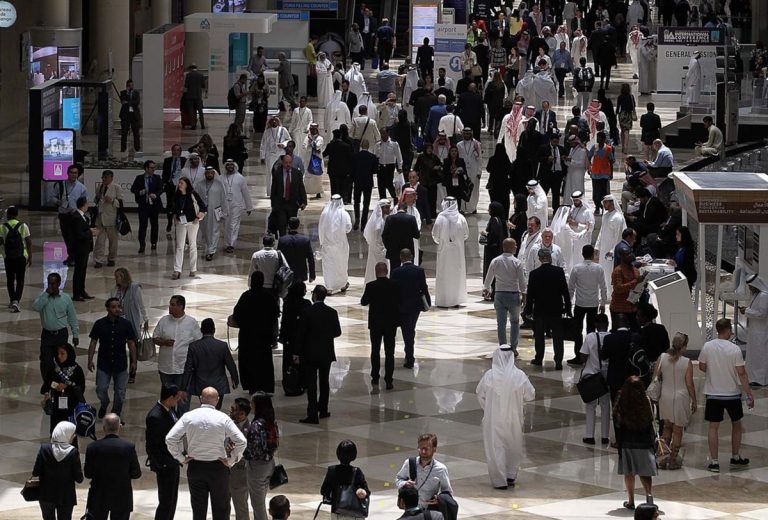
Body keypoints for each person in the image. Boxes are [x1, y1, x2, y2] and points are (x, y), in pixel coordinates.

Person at [165, 387, 247, 520]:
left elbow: (170, 439)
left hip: (196, 467)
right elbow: (242, 441)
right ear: (218, 400)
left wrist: (180, 457)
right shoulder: (223, 418)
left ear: (200, 399)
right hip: (219, 468)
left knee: (198, 510)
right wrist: (232, 460)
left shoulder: (188, 416)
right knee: (221, 510)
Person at [699, 318, 754, 472]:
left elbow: (702, 366)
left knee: (713, 427)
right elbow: (741, 373)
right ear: (729, 330)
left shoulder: (708, 346)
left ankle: (714, 462)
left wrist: (713, 370)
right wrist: (749, 393)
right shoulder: (734, 349)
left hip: (713, 393)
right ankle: (735, 457)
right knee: (736, 424)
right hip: (732, 394)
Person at [476, 345, 535, 489]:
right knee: (513, 445)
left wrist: (488, 409)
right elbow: (530, 395)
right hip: (514, 418)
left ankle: (499, 480)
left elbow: (480, 393)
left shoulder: (489, 376)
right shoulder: (519, 376)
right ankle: (510, 475)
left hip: (494, 419)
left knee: (496, 447)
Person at [296, 285, 342, 423]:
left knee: (311, 384)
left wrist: (296, 353)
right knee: (324, 381)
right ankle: (323, 410)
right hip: (326, 352)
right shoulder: (332, 312)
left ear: (315, 295)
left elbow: (301, 334)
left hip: (310, 353)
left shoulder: (307, 312)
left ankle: (312, 414)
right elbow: (337, 332)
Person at [84, 414, 142, 520]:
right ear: (119, 427)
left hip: (98, 495)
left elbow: (88, 474)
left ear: (104, 428)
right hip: (122, 496)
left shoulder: (92, 447)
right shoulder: (129, 447)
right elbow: (136, 474)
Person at [87, 298, 137, 419]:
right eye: (113, 307)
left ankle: (116, 413)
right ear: (108, 309)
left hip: (120, 363)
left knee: (120, 392)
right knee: (101, 389)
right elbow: (93, 342)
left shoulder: (126, 324)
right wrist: (90, 359)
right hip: (104, 363)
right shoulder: (99, 324)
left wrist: (134, 361)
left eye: (118, 306)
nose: (117, 309)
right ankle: (104, 403)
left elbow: (131, 343)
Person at [653, 333, 697, 470]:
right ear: (683, 347)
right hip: (681, 398)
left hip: (665, 396)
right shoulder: (686, 362)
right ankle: (673, 460)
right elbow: (689, 384)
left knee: (666, 428)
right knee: (678, 430)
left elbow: (655, 377)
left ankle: (663, 458)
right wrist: (694, 400)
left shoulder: (662, 357)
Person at [613, 376, 657, 510]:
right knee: (645, 473)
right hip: (644, 442)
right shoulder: (646, 400)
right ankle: (649, 495)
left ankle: (631, 500)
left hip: (627, 442)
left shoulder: (622, 401)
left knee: (629, 472)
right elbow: (651, 419)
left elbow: (617, 422)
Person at [233, 272, 280, 394]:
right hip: (264, 335)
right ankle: (265, 386)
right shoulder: (268, 297)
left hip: (248, 335)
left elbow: (237, 314)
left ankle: (252, 386)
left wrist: (245, 324)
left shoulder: (246, 296)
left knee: (249, 361)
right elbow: (275, 314)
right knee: (264, 361)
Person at [153, 295, 202, 414]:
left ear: (181, 306)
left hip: (183, 368)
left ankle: (182, 420)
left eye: (172, 304)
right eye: (170, 304)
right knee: (167, 398)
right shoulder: (164, 320)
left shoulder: (191, 323)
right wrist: (164, 342)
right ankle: (168, 419)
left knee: (183, 398)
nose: (169, 307)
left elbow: (198, 342)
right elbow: (155, 337)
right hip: (166, 367)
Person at [525, 248, 571, 369]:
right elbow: (565, 291)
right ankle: (558, 361)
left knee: (539, 336)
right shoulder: (559, 272)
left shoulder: (534, 274)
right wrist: (568, 307)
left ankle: (539, 358)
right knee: (558, 336)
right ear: (550, 258)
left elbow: (530, 295)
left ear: (540, 259)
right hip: (556, 309)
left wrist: (528, 310)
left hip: (540, 310)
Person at [145, 385, 184, 520]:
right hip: (165, 464)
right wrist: (167, 463)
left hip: (173, 461)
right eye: (177, 398)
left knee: (172, 499)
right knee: (166, 501)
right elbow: (153, 446)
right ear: (170, 398)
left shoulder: (171, 410)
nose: (178, 400)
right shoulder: (155, 416)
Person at [181, 318, 238, 409]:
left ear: (201, 330)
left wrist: (183, 387)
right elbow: (231, 365)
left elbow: (188, 368)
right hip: (219, 383)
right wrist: (235, 379)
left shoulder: (193, 346)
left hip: (201, 383)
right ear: (214, 330)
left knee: (205, 407)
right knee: (216, 409)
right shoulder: (222, 346)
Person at [361, 262, 400, 391]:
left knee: (375, 350)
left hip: (375, 323)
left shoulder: (371, 286)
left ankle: (375, 376)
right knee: (390, 352)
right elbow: (400, 301)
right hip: (390, 323)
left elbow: (363, 302)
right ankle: (389, 380)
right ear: (387, 271)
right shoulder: (395, 285)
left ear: (376, 272)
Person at [33, 421, 83, 520]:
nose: (74, 436)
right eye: (73, 434)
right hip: (66, 496)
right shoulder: (73, 452)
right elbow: (79, 479)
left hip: (46, 494)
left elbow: (35, 472)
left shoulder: (44, 448)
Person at [34, 272, 79, 379]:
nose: (51, 286)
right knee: (46, 361)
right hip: (47, 335)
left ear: (58, 284)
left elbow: (72, 317)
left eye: (53, 284)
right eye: (49, 283)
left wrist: (75, 334)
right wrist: (45, 295)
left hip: (61, 334)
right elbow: (36, 307)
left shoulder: (66, 298)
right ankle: (47, 383)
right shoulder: (43, 297)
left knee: (61, 360)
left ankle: (61, 382)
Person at [567, 245, 608, 365]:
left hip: (580, 303)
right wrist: (603, 302)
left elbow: (571, 288)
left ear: (582, 254)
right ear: (593, 254)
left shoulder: (576, 268)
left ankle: (578, 356)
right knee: (591, 331)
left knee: (577, 331)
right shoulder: (598, 268)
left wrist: (569, 303)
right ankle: (590, 355)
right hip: (593, 304)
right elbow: (603, 287)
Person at [483, 238, 526, 350]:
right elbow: (522, 282)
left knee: (501, 323)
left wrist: (486, 288)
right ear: (511, 247)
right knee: (515, 322)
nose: (516, 247)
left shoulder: (495, 261)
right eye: (515, 245)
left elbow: (488, 278)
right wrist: (524, 295)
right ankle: (513, 347)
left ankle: (503, 346)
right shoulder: (517, 262)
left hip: (499, 294)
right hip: (513, 295)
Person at [243, 393, 280, 520]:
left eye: (252, 403)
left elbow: (254, 449)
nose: (250, 406)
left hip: (257, 467)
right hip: (269, 464)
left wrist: (244, 453)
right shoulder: (272, 422)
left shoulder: (256, 425)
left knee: (257, 505)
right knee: (260, 500)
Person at [391, 249, 430, 368]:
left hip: (402, 306)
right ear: (412, 257)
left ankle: (409, 356)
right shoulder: (419, 271)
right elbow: (424, 287)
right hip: (415, 306)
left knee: (406, 331)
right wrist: (427, 303)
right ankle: (409, 355)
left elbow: (393, 290)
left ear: (401, 258)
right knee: (410, 329)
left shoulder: (396, 271)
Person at [395, 433, 453, 509]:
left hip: (429, 511)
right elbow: (398, 479)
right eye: (421, 448)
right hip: (411, 509)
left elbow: (447, 492)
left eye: (427, 448)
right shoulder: (409, 463)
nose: (423, 451)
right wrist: (405, 483)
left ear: (434, 449)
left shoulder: (441, 469)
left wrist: (439, 499)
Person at [579, 313, 611, 445]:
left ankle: (589, 436)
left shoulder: (590, 337)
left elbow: (583, 356)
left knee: (590, 406)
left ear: (596, 325)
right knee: (605, 406)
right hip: (606, 377)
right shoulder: (611, 337)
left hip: (592, 376)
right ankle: (605, 436)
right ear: (607, 324)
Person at [41, 344, 85, 434]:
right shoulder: (54, 369)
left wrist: (67, 387)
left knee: (70, 432)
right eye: (58, 353)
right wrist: (51, 390)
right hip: (56, 406)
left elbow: (81, 388)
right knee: (55, 431)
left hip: (71, 406)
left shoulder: (77, 370)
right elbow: (46, 385)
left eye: (62, 354)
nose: (59, 356)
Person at [432, 198, 469, 308]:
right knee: (456, 274)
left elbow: (435, 235)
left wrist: (443, 243)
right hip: (457, 252)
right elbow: (466, 235)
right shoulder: (461, 218)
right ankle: (456, 299)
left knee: (444, 274)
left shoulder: (440, 218)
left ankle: (444, 300)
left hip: (444, 252)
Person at [320, 440, 371, 518]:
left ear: (338, 454)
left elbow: (324, 491)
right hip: (354, 512)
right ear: (353, 455)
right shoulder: (357, 472)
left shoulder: (332, 470)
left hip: (337, 511)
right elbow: (366, 491)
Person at [170, 177, 206, 279]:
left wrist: (198, 217)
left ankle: (193, 269)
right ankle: (177, 270)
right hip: (180, 222)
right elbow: (173, 207)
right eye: (179, 183)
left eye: (181, 183)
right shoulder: (177, 195)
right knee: (179, 246)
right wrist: (175, 217)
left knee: (192, 245)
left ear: (186, 184)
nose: (179, 185)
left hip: (192, 222)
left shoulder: (193, 194)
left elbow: (203, 207)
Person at [318, 195, 353, 293]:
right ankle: (342, 284)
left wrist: (322, 242)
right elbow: (348, 228)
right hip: (341, 245)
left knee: (328, 266)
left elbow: (320, 229)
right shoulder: (344, 214)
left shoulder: (324, 213)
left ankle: (329, 287)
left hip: (327, 245)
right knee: (341, 265)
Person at [0, 206, 32, 312]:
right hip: (21, 257)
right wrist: (30, 256)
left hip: (8, 257)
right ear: (17, 215)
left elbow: (0, 243)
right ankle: (16, 301)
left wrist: (4, 253)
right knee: (20, 280)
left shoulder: (2, 227)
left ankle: (12, 299)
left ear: (8, 215)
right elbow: (29, 242)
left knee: (10, 279)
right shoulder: (23, 226)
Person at [55, 165, 87, 266]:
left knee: (74, 237)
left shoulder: (82, 188)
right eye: (72, 173)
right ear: (67, 173)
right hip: (64, 215)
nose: (73, 175)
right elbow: (52, 197)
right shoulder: (60, 185)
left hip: (75, 216)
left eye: (75, 173)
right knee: (67, 236)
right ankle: (71, 255)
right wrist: (59, 202)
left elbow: (84, 203)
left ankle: (73, 256)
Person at [594, 195, 626, 299]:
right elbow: (601, 232)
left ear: (612, 203)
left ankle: (612, 294)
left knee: (611, 272)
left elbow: (618, 236)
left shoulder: (617, 218)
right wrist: (597, 246)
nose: (604, 205)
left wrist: (612, 250)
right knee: (603, 271)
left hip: (612, 252)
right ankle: (605, 293)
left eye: (605, 202)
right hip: (604, 249)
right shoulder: (606, 215)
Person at [740, 274, 768, 387]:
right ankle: (754, 377)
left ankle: (761, 380)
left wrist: (746, 311)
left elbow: (762, 314)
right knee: (754, 355)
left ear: (756, 284)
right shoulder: (757, 295)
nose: (749, 288)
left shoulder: (764, 296)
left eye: (750, 286)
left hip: (761, 332)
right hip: (755, 331)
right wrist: (746, 310)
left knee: (760, 356)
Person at [131, 160, 164, 253]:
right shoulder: (139, 178)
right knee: (143, 225)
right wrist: (139, 192)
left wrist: (156, 195)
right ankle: (142, 244)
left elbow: (161, 189)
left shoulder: (157, 178)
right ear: (146, 168)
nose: (153, 169)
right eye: (151, 168)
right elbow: (133, 189)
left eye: (154, 168)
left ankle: (154, 242)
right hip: (143, 205)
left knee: (154, 224)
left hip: (154, 205)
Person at [92, 171, 121, 269]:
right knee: (99, 241)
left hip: (112, 218)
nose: (104, 179)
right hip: (100, 217)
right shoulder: (99, 187)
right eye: (103, 177)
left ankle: (112, 258)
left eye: (106, 177)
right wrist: (97, 199)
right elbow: (96, 200)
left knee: (113, 241)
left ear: (111, 178)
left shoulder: (116, 187)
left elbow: (121, 204)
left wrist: (112, 201)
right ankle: (98, 260)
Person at [69, 196, 95, 301]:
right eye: (87, 203)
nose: (88, 205)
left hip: (85, 248)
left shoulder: (83, 216)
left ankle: (82, 291)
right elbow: (79, 234)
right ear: (83, 204)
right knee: (78, 271)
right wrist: (91, 232)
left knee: (83, 270)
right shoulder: (76, 217)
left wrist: (89, 231)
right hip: (79, 248)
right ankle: (76, 293)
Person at [277, 217, 316, 283]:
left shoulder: (282, 240)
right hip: (301, 274)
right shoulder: (305, 240)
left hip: (286, 274)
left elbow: (278, 258)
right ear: (298, 226)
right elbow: (310, 259)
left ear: (288, 226)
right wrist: (312, 275)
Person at [260, 116, 290, 198]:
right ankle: (271, 192)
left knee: (281, 173)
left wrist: (283, 144)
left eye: (275, 120)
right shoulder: (267, 132)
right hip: (270, 155)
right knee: (270, 173)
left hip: (281, 155)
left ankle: (282, 191)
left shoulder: (283, 130)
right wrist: (262, 156)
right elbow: (263, 144)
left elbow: (289, 140)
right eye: (272, 120)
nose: (274, 122)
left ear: (278, 121)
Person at [363, 200, 391, 283]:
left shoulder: (382, 220)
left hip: (377, 249)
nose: (389, 210)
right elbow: (377, 239)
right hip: (379, 250)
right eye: (386, 208)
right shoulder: (378, 223)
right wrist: (382, 250)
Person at [119, 79, 141, 153]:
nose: (131, 87)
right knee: (124, 132)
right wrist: (128, 94)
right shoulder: (123, 93)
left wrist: (128, 102)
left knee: (136, 133)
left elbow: (137, 102)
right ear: (127, 86)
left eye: (132, 85)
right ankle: (123, 148)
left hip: (134, 115)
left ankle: (137, 147)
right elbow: (123, 102)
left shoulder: (136, 93)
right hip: (125, 115)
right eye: (129, 85)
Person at [183, 64, 206, 129]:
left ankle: (193, 125)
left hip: (190, 96)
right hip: (198, 96)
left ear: (190, 69)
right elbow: (203, 85)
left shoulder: (188, 75)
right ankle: (202, 125)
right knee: (200, 111)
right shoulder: (201, 75)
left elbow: (186, 85)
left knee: (191, 111)